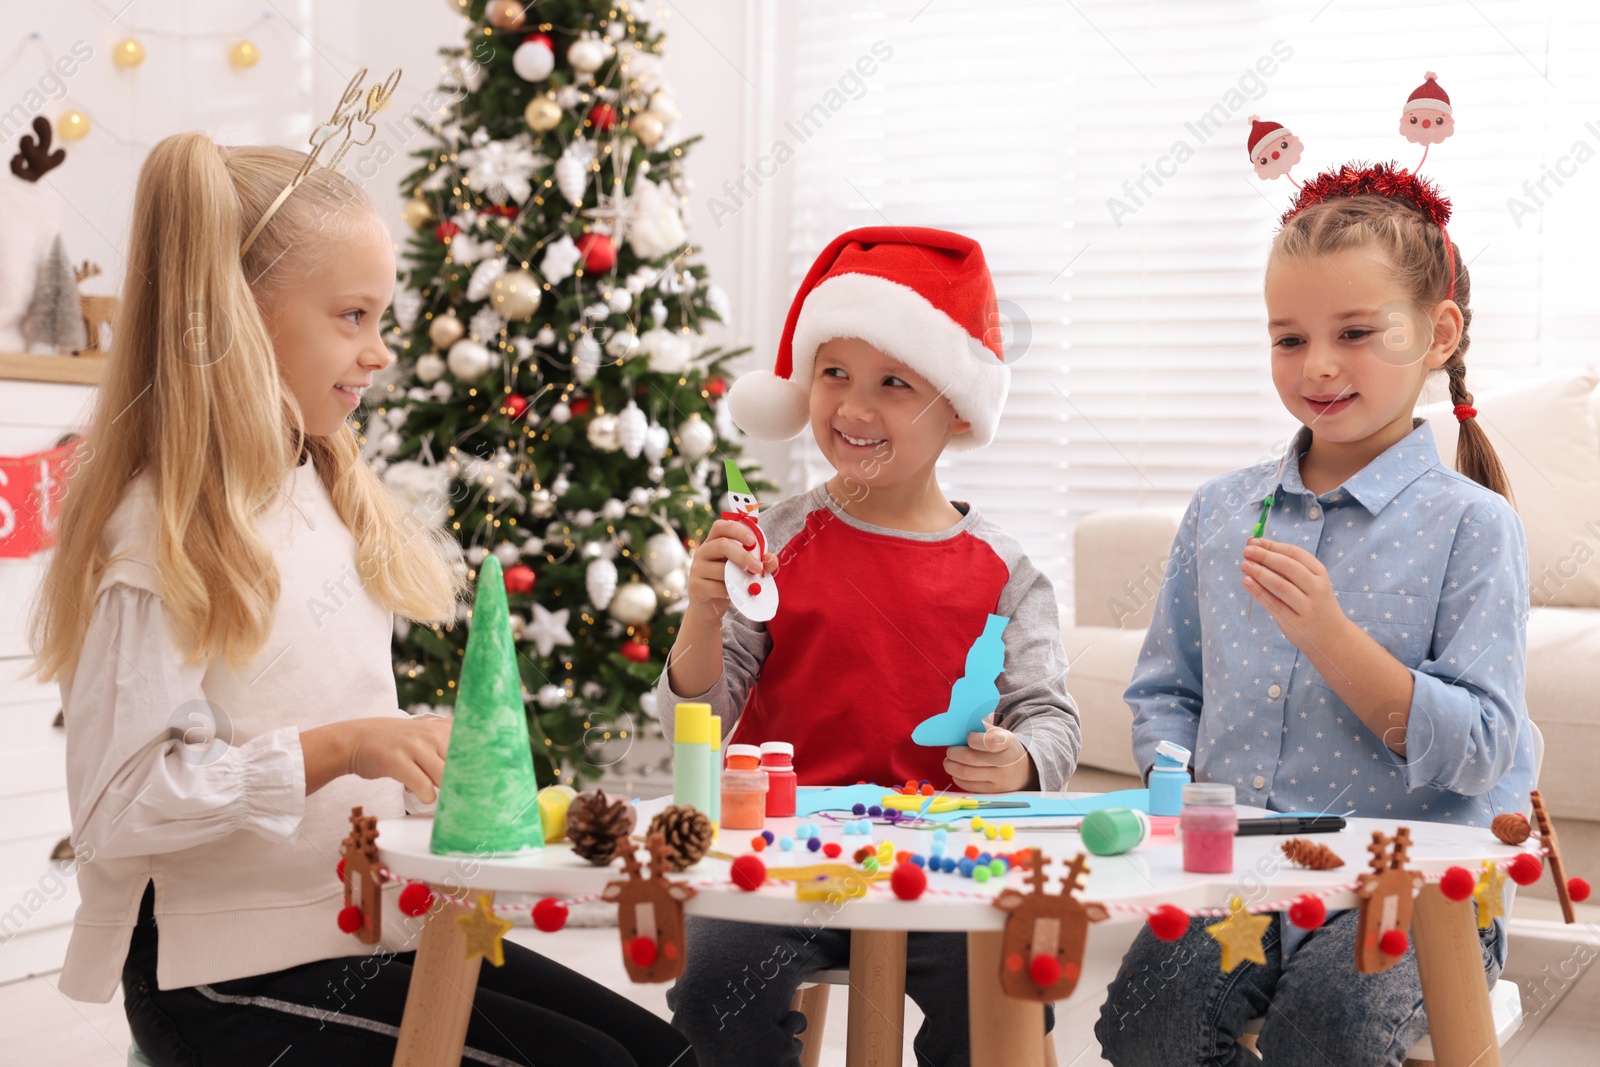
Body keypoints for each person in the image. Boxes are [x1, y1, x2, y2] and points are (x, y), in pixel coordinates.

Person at [28, 127, 694, 1067]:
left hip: (366, 928)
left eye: (383, 317)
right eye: (352, 316)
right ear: (235, 318)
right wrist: (343, 748)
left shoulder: (323, 484)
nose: (381, 352)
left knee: (664, 1056)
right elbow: (120, 804)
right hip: (221, 974)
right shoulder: (160, 530)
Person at [1095, 164, 1533, 1066]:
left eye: (1356, 333)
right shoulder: (1222, 510)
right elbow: (1167, 691)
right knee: (1146, 1018)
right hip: (1239, 881)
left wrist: (1331, 638)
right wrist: (1174, 782)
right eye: (1288, 338)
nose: (1318, 365)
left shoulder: (1474, 526)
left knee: (1327, 1027)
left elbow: (1487, 744)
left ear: (1438, 334)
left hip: (1417, 890)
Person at [657, 227, 1083, 1065]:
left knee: (1007, 993)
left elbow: (1051, 719)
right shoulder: (774, 544)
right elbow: (700, 719)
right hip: (779, 862)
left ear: (956, 408)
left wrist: (1022, 758)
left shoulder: (1006, 569)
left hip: (947, 863)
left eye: (894, 383)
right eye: (834, 374)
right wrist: (701, 616)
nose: (853, 407)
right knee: (714, 989)